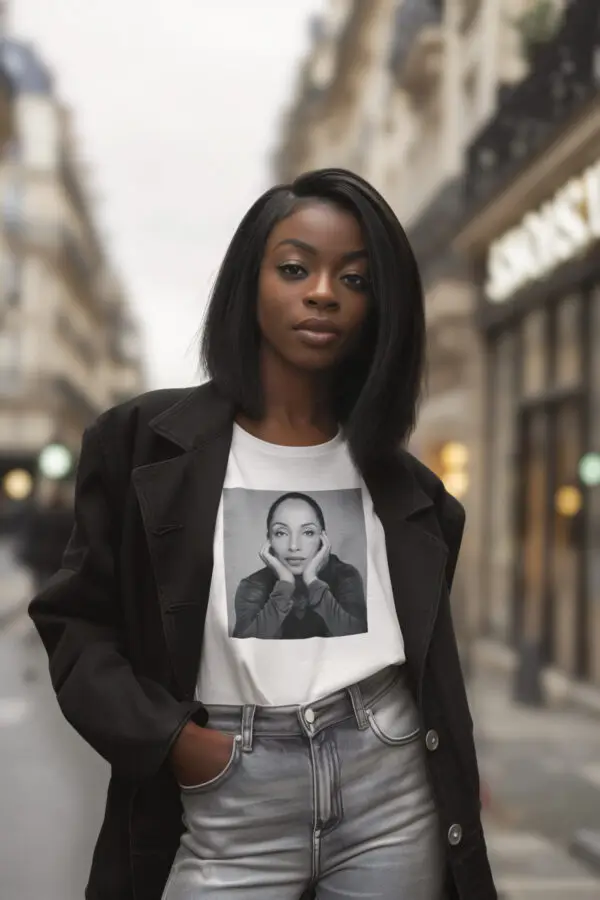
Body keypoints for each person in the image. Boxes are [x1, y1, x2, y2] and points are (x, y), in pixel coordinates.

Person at [29, 168, 497, 900]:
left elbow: (429, 665)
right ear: (251, 282)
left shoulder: (414, 492)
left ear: (380, 307)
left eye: (355, 278)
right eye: (294, 268)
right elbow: (76, 625)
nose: (323, 293)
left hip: (388, 778)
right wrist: (174, 741)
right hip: (227, 788)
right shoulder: (142, 445)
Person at [233, 491, 367, 639]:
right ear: (269, 539)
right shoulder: (253, 586)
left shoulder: (344, 576)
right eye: (281, 533)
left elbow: (358, 639)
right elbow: (244, 646)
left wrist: (312, 580)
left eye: (308, 532)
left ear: (323, 539)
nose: (294, 546)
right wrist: (285, 585)